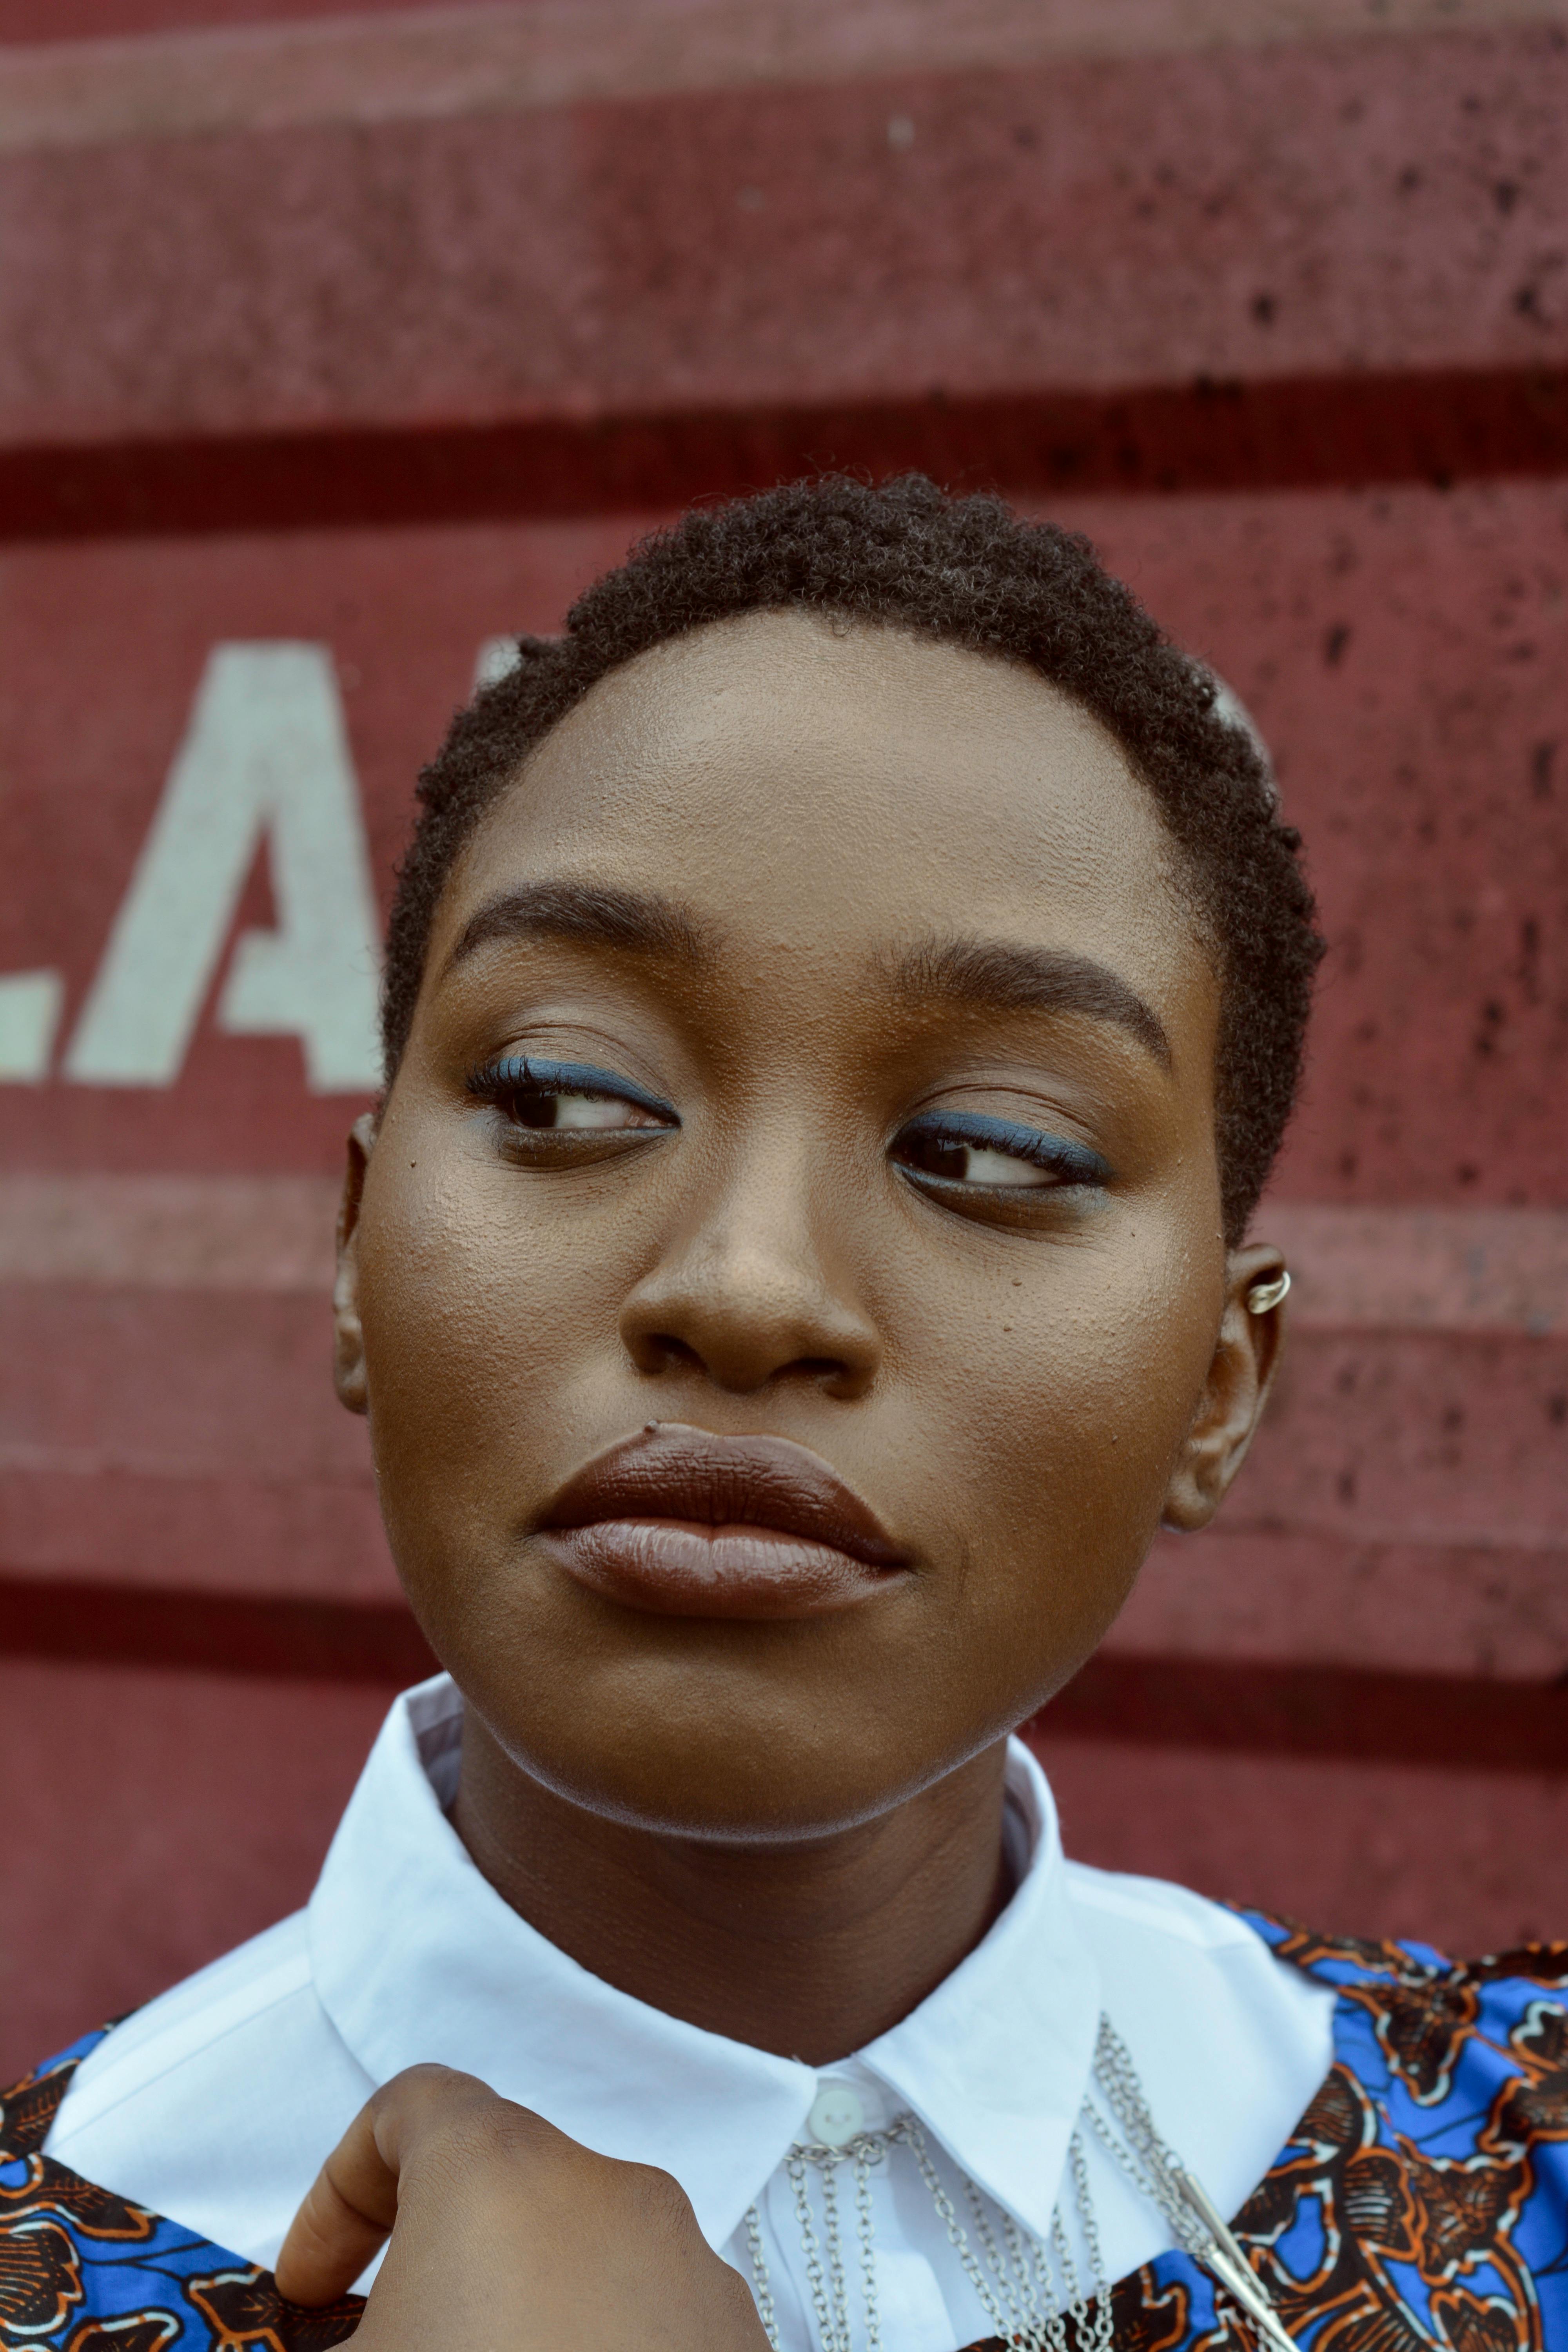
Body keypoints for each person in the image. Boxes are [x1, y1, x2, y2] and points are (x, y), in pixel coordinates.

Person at [4, 476, 1563, 2352]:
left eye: (991, 1148)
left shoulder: (1517, 2147)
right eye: (570, 1096)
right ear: (354, 1253)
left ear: (1216, 1391)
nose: (746, 1288)